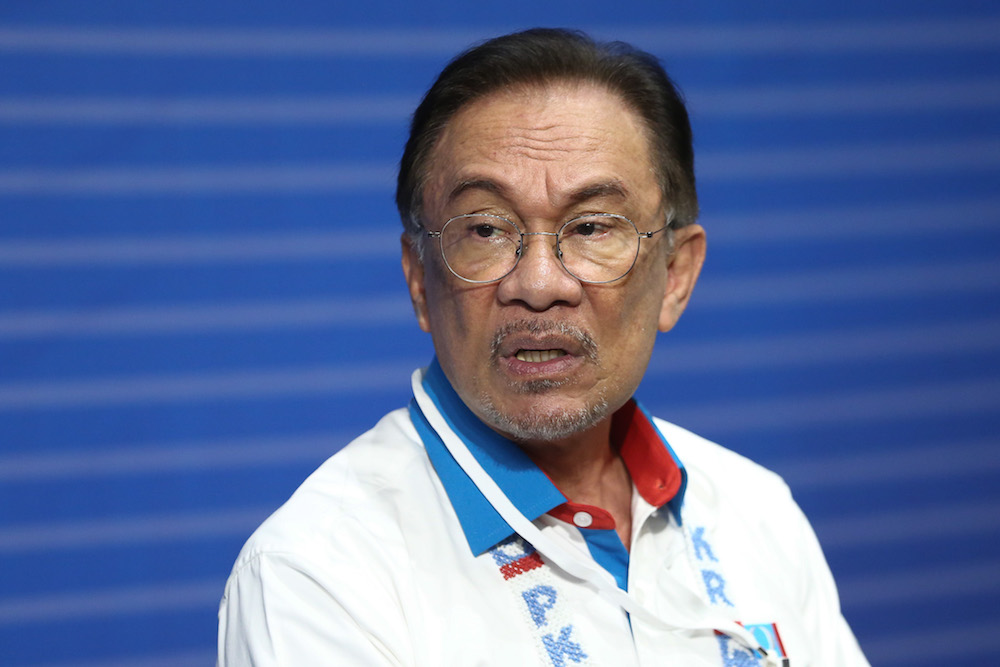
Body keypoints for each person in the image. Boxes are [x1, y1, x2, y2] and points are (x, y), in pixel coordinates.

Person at [218, 28, 869, 667]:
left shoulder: (755, 512)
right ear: (419, 278)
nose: (537, 284)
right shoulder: (317, 575)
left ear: (675, 274)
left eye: (590, 226)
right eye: (486, 228)